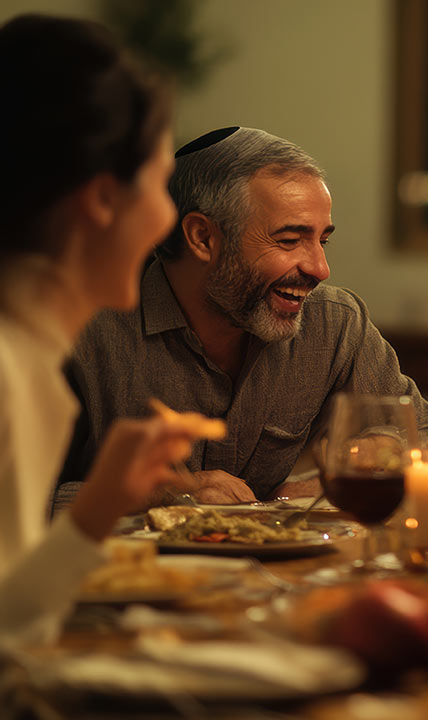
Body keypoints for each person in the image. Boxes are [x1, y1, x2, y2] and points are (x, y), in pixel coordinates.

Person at [55, 126, 428, 507]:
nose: (320, 269)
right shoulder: (80, 330)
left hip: (280, 570)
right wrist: (153, 494)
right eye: (289, 240)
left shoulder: (334, 324)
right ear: (203, 238)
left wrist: (378, 453)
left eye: (322, 240)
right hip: (121, 568)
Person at [0, 13, 207, 644]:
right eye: (162, 182)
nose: (168, 216)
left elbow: (9, 618)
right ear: (101, 199)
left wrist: (97, 507)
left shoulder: (27, 355)